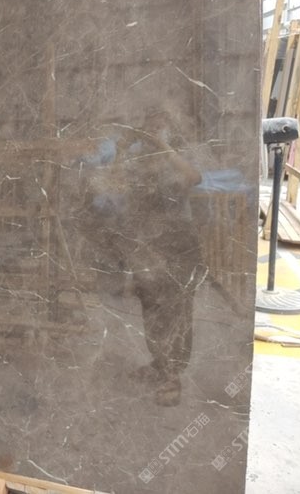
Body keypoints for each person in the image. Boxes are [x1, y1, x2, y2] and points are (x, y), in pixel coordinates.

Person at [77, 108, 204, 407]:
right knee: (151, 308)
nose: (152, 129)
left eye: (158, 124)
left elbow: (194, 177)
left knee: (176, 310)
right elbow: (112, 186)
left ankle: (173, 376)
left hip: (178, 243)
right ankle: (160, 364)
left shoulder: (176, 153)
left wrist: (162, 146)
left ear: (168, 127)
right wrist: (122, 150)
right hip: (146, 243)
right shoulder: (137, 158)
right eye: (148, 125)